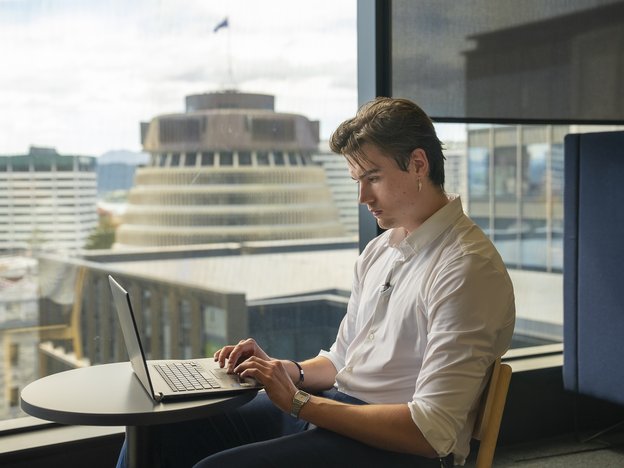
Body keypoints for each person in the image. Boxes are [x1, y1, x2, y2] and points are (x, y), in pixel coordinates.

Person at [116, 97, 515, 468]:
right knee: (159, 432)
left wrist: (299, 402)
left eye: (372, 178)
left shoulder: (466, 268)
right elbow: (341, 360)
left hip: (400, 450)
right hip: (337, 410)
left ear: (418, 164)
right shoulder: (381, 252)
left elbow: (432, 431)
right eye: (357, 180)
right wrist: (280, 370)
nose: (362, 197)